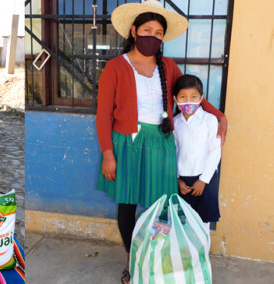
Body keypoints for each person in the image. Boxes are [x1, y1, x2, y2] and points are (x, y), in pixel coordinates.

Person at [95, 1, 227, 283]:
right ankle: (135, 262)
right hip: (126, 144)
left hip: (162, 143)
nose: (152, 36)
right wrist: (108, 152)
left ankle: (158, 260)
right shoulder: (116, 67)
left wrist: (220, 118)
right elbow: (103, 113)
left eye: (158, 33)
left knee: (163, 204)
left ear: (162, 38)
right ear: (133, 31)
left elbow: (191, 97)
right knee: (127, 205)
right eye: (146, 30)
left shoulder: (167, 66)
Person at [173, 75, 221, 235]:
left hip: (204, 180)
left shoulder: (209, 120)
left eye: (194, 97)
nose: (188, 101)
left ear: (201, 98)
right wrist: (177, 178)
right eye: (183, 97)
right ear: (175, 99)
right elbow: (174, 151)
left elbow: (215, 150)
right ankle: (185, 257)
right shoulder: (176, 123)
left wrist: (203, 180)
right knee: (181, 222)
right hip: (183, 182)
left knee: (202, 223)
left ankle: (201, 257)